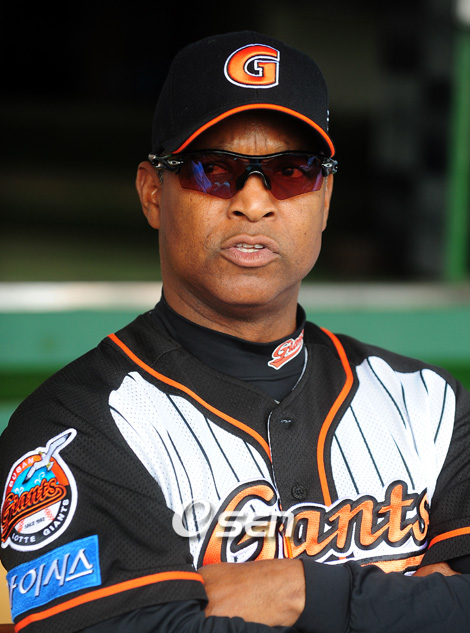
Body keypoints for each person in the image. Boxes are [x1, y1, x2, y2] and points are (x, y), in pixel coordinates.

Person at [1, 30, 470, 633]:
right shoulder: (75, 429)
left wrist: (301, 592)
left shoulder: (429, 405)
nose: (254, 202)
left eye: (292, 172)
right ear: (153, 193)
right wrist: (415, 604)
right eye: (215, 170)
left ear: (325, 198)